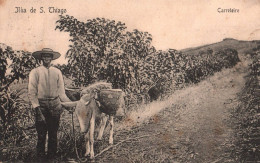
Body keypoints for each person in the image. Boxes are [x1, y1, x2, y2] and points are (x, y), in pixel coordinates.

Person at [28, 48, 72, 160]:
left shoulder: (57, 72)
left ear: (52, 58)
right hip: (41, 105)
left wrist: (69, 106)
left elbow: (61, 93)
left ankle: (52, 157)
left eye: (49, 56)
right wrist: (37, 109)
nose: (47, 58)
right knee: (41, 134)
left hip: (55, 105)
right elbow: (32, 92)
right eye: (45, 56)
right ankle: (40, 158)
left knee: (53, 134)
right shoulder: (35, 72)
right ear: (41, 58)